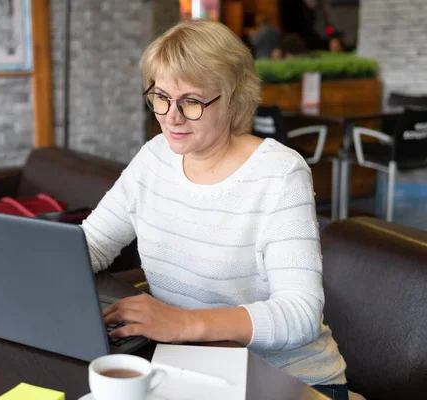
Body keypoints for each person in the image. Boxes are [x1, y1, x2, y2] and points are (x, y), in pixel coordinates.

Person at [81, 19, 348, 400]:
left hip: (288, 381)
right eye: (160, 96)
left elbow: (300, 313)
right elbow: (92, 245)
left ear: (234, 98)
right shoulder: (153, 158)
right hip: (190, 366)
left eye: (191, 101)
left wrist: (182, 323)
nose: (171, 117)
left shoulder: (279, 173)